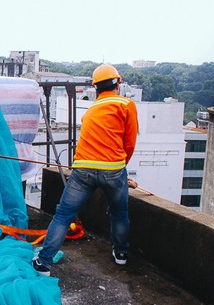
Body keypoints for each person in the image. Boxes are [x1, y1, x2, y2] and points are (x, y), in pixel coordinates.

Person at [32, 64, 138, 276]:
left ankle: (43, 262)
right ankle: (121, 254)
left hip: (82, 169)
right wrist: (120, 170)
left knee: (63, 215)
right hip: (113, 169)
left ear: (95, 87)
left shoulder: (91, 110)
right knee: (119, 213)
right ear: (118, 82)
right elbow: (129, 142)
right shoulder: (126, 104)